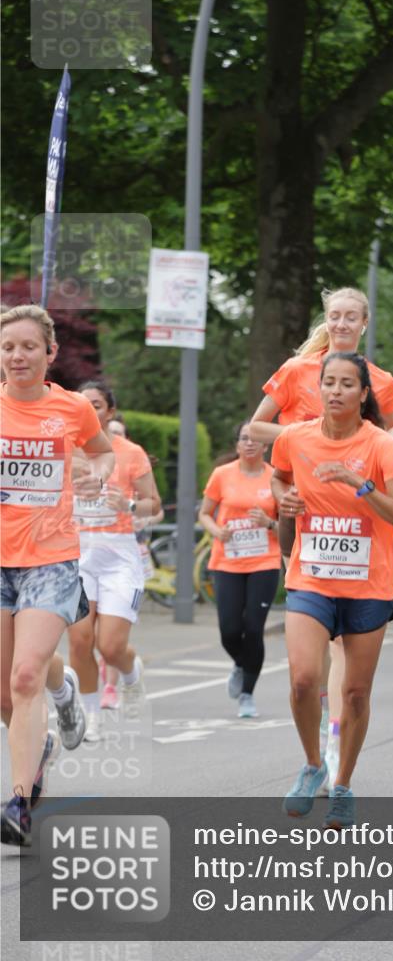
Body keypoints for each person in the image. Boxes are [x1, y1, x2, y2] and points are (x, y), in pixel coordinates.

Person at [249, 287, 393, 780]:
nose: (340, 323)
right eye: (334, 316)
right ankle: (316, 726)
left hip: (358, 513)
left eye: (350, 317)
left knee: (346, 659)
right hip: (306, 512)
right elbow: (256, 430)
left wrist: (373, 443)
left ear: (363, 323)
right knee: (305, 662)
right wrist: (311, 442)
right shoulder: (298, 371)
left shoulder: (379, 380)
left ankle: (335, 731)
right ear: (327, 318)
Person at [271, 352, 393, 828]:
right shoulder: (294, 437)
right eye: (328, 382)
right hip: (311, 576)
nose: (335, 391)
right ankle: (313, 764)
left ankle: (343, 782)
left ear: (363, 393)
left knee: (354, 693)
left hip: (369, 583)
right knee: (303, 679)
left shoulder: (380, 446)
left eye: (346, 384)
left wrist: (360, 484)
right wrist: (283, 499)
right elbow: (279, 477)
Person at [0, 304, 114, 845]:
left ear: (50, 353)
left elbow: (103, 453)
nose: (16, 356)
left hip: (50, 557)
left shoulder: (71, 409)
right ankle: (62, 698)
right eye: (7, 348)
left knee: (25, 677)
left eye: (27, 347)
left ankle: (19, 803)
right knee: (6, 695)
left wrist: (95, 474)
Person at [68, 382, 161, 743]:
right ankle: (90, 716)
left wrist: (130, 506)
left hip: (118, 557)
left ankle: (130, 673)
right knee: (79, 641)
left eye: (97, 405)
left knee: (110, 646)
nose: (89, 410)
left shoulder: (129, 452)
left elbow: (154, 503)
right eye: (83, 404)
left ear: (109, 411)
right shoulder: (65, 451)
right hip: (76, 556)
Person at [198, 422, 281, 718]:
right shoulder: (222, 475)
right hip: (227, 560)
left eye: (255, 439)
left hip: (265, 560)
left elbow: (290, 526)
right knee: (230, 630)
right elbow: (205, 513)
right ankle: (241, 663)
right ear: (236, 445)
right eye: (244, 439)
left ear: (265, 446)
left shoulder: (276, 478)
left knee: (254, 628)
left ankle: (247, 693)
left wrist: (269, 523)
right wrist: (217, 531)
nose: (249, 443)